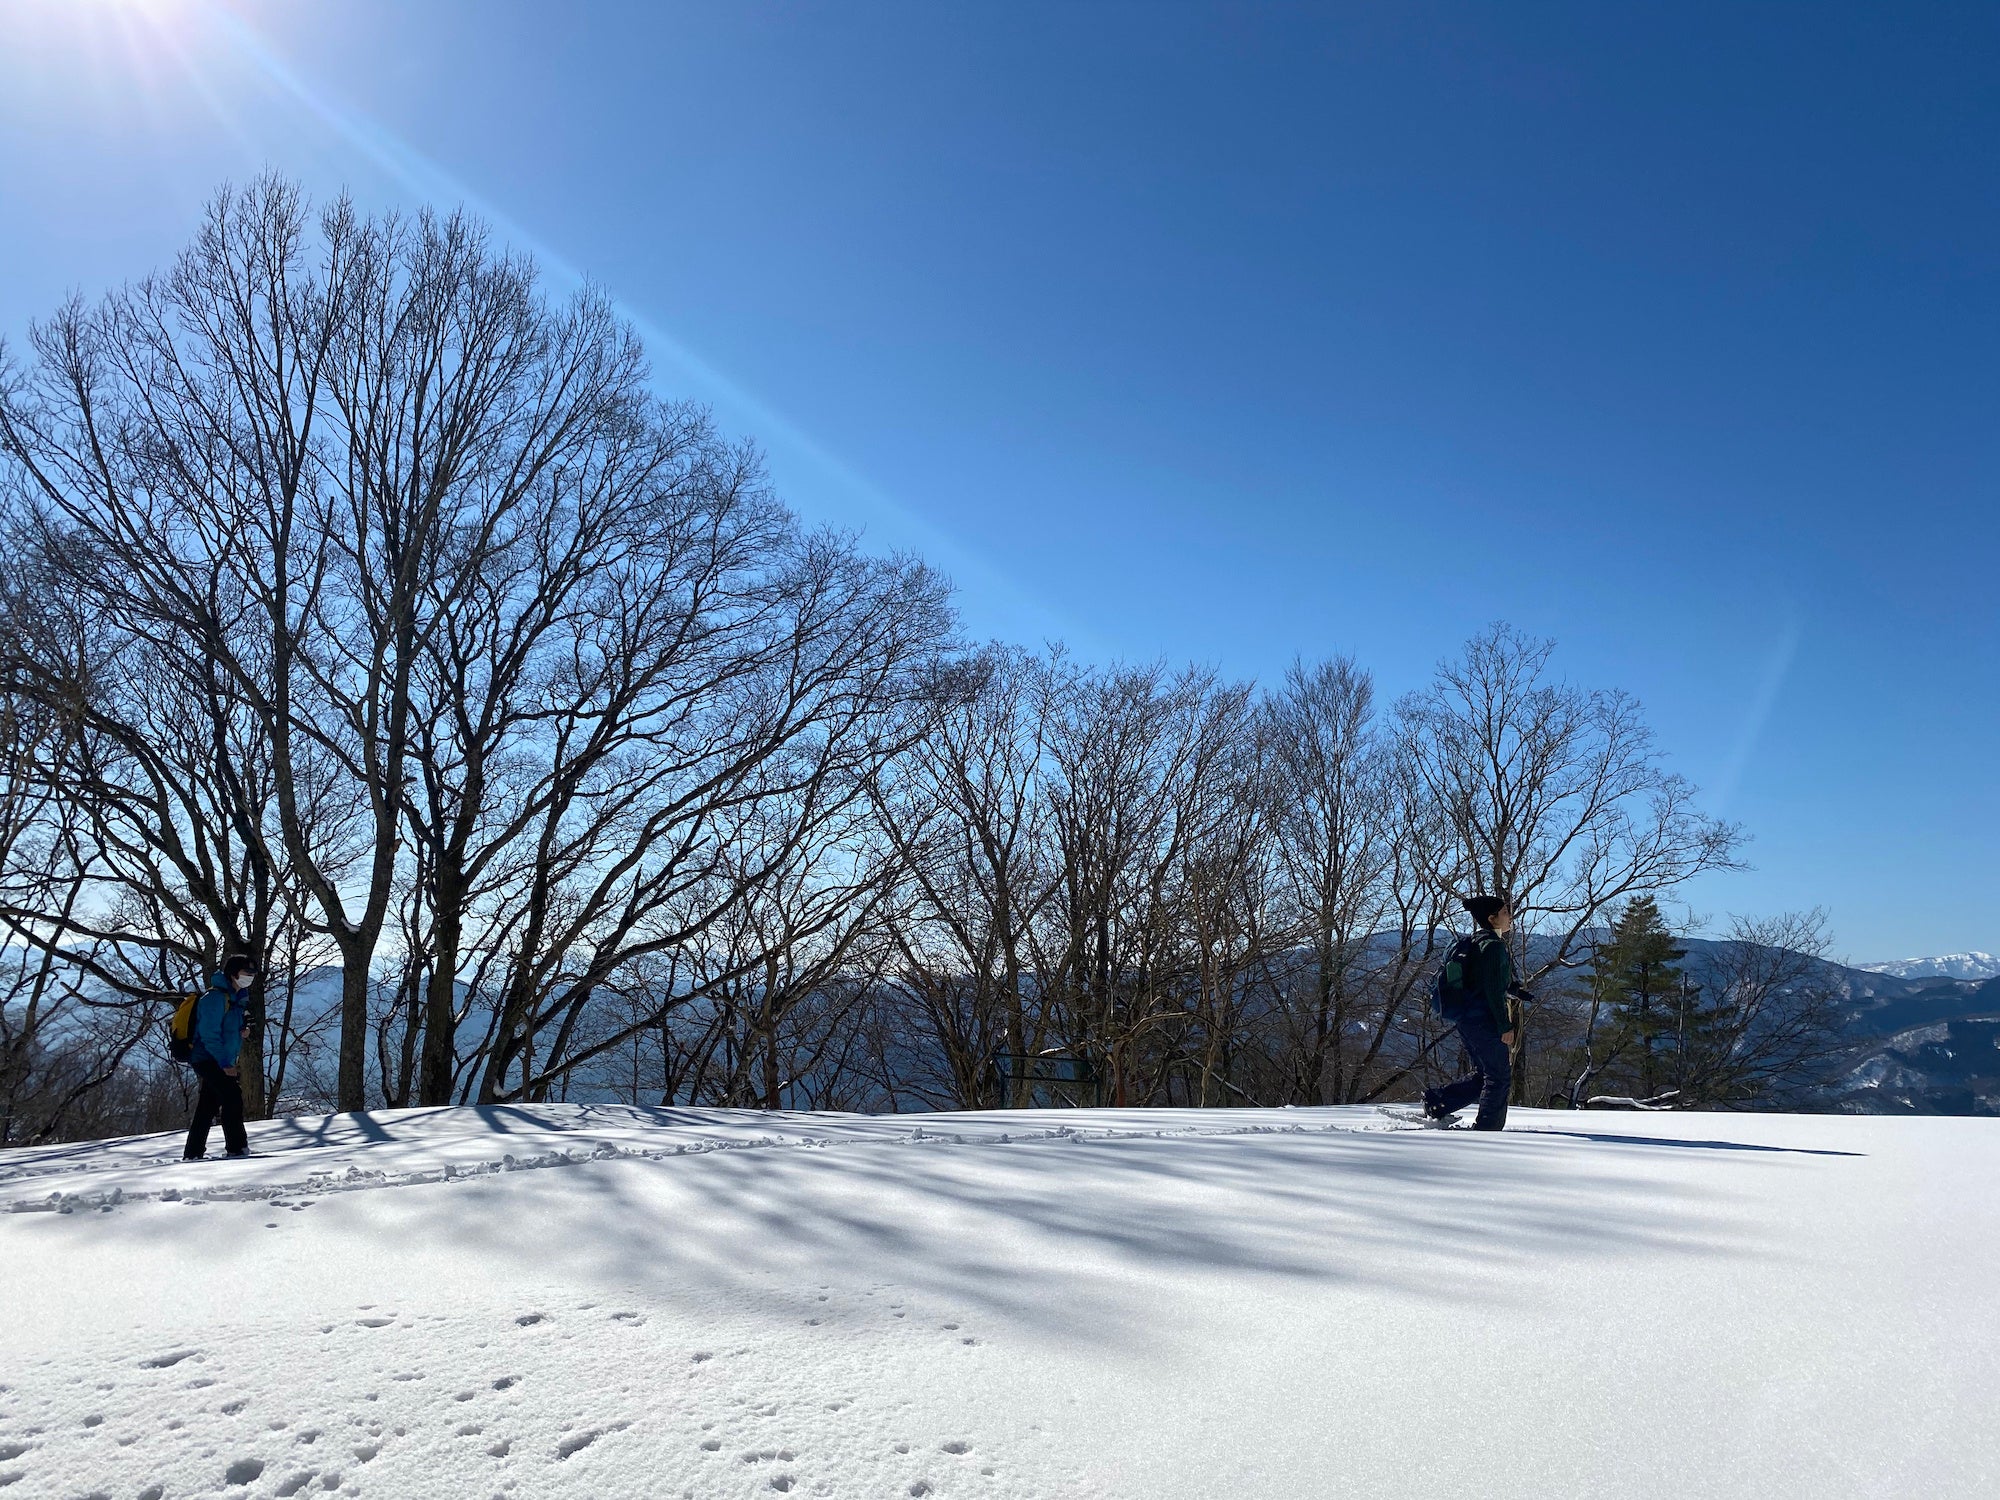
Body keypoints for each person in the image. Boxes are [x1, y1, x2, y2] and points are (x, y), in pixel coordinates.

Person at [1423, 895, 1531, 1131]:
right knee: (1498, 1076)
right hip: (1485, 1020)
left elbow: (1483, 981)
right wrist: (1505, 1026)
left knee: (1485, 1073)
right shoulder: (1493, 946)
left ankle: (1437, 1102)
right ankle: (1488, 1130)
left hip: (1466, 1018)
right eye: (1505, 912)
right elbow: (1492, 990)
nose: (1510, 916)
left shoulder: (1474, 941)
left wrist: (1514, 991)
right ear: (1492, 919)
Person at [183, 954, 255, 1160]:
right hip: (208, 1057)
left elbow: (227, 1029)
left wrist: (244, 1031)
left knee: (208, 1106)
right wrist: (224, 1063)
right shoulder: (214, 998)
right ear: (233, 973)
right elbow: (209, 1035)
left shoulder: (237, 998)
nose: (250, 976)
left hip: (220, 1057)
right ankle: (237, 1148)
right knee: (232, 1097)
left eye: (253, 973)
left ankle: (193, 1153)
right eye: (246, 972)